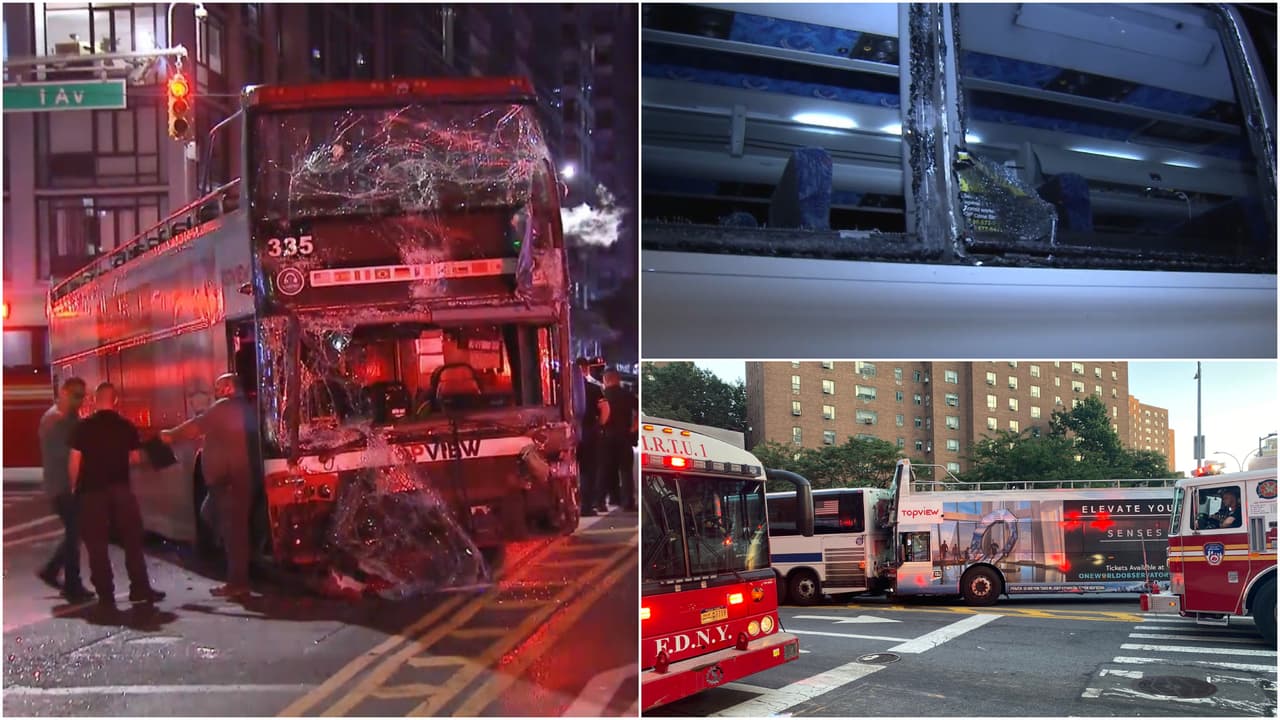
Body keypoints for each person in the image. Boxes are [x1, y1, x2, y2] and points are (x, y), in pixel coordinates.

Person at [69, 382, 165, 611]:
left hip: (91, 492)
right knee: (132, 541)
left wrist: (73, 488)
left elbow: (74, 461)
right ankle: (139, 589)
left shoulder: (83, 427)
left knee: (97, 544)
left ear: (95, 400)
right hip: (120, 489)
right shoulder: (126, 426)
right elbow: (135, 459)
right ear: (115, 401)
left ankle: (105, 594)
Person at [162, 373, 255, 598]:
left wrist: (170, 435)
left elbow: (197, 426)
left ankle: (237, 582)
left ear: (230, 387)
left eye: (219, 386)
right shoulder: (244, 408)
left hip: (229, 483)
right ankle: (236, 571)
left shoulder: (225, 407)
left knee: (234, 533)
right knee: (216, 517)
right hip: (230, 482)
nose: (216, 391)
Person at [36, 377, 94, 604]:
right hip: (63, 486)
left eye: (82, 396)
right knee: (74, 532)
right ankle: (71, 584)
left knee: (74, 532)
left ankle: (52, 571)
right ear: (64, 393)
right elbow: (69, 454)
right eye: (76, 395)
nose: (80, 401)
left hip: (62, 485)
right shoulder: (58, 421)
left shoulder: (61, 418)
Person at [597, 368, 638, 512]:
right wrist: (634, 427)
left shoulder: (602, 395)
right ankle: (628, 502)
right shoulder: (627, 394)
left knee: (604, 470)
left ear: (606, 379)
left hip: (606, 436)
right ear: (618, 379)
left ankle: (601, 501)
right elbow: (639, 410)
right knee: (626, 471)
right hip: (624, 436)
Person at [572, 358, 603, 517]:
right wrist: (599, 425)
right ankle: (587, 506)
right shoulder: (594, 388)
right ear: (585, 369)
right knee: (589, 471)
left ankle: (574, 503)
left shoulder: (563, 389)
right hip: (589, 433)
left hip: (570, 434)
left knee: (575, 470)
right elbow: (605, 409)